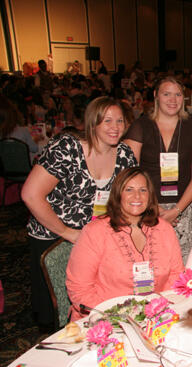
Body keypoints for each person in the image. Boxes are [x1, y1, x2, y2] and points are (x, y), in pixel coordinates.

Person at [21, 96, 137, 329]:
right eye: (107, 121)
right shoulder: (66, 148)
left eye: (120, 121)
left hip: (95, 239)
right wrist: (68, 233)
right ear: (92, 122)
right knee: (56, 312)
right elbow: (31, 195)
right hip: (52, 236)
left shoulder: (124, 154)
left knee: (92, 306)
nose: (115, 127)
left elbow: (128, 198)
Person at [66, 167, 184, 320]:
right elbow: (79, 289)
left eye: (143, 190)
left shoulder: (164, 229)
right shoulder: (95, 232)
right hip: (105, 319)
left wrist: (158, 309)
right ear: (117, 195)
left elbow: (176, 276)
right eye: (129, 190)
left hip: (156, 317)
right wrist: (116, 316)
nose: (137, 196)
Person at [124, 76, 192, 261]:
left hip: (182, 210)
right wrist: (153, 207)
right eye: (166, 94)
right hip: (144, 207)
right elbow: (128, 174)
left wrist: (176, 211)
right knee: (145, 265)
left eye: (178, 94)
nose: (173, 99)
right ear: (156, 96)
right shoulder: (140, 127)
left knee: (181, 268)